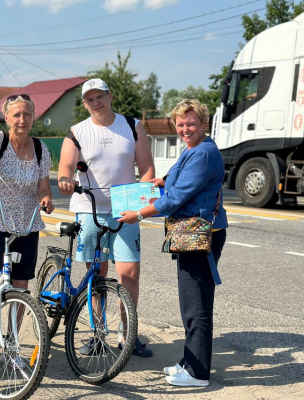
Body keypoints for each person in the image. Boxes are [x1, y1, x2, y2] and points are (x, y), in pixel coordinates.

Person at [118, 99, 228, 387]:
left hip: (201, 234)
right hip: (191, 232)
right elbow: (179, 184)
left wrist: (139, 214)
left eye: (190, 123)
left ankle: (198, 373)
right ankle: (189, 362)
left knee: (197, 305)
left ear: (203, 122)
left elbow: (177, 199)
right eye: (180, 124)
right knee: (190, 302)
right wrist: (162, 182)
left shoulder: (203, 153)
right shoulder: (194, 149)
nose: (184, 128)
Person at [58, 78, 155, 357]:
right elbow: (65, 167)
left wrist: (140, 207)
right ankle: (98, 334)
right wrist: (65, 180)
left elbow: (147, 168)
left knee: (129, 273)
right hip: (89, 209)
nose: (95, 102)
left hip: (125, 211)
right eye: (89, 99)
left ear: (110, 96)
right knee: (96, 274)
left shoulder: (132, 126)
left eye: (99, 96)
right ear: (85, 103)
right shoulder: (77, 131)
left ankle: (128, 335)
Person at [0, 93, 54, 371]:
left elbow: (44, 185)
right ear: (7, 118)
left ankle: (12, 345)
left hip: (27, 224)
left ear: (33, 117)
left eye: (27, 114)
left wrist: (45, 198)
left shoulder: (41, 149)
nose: (22, 119)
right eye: (16, 114)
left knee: (21, 287)